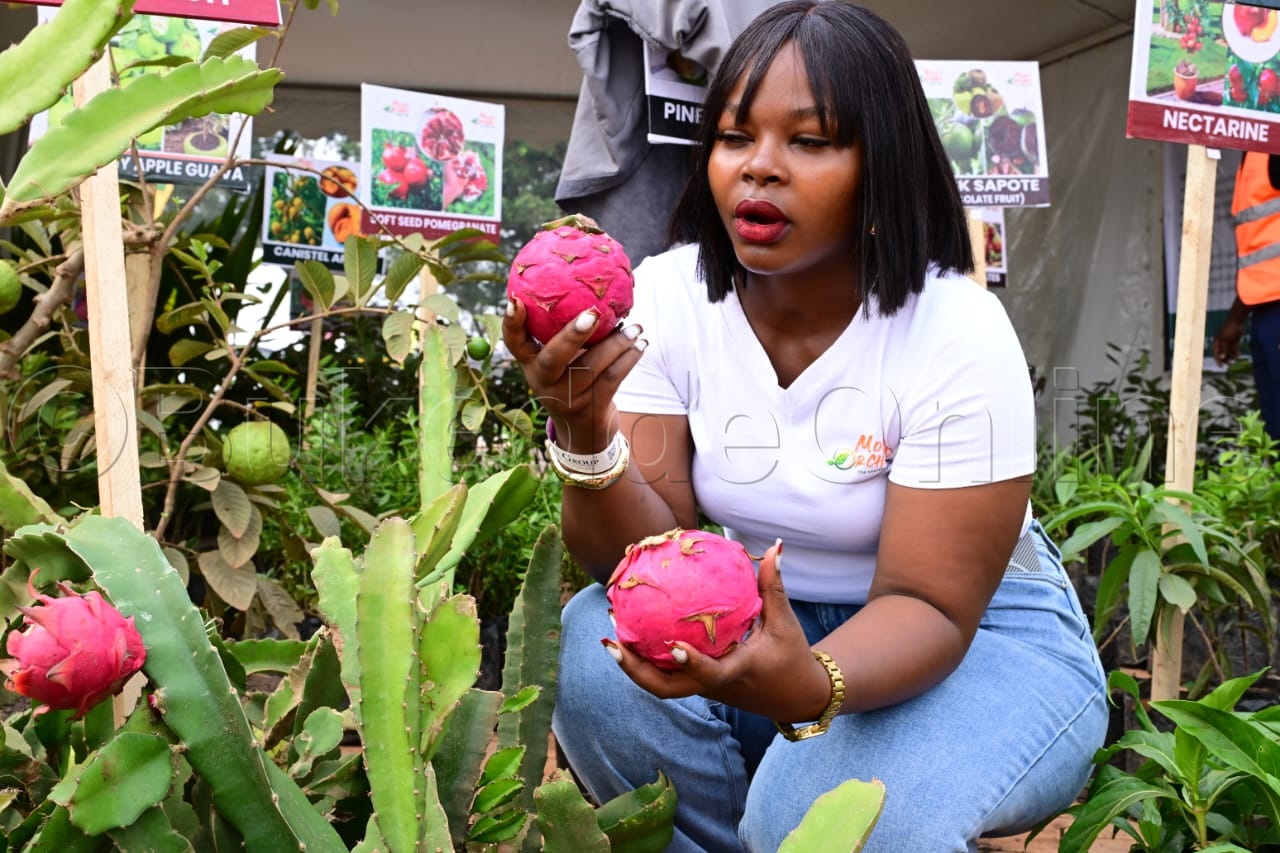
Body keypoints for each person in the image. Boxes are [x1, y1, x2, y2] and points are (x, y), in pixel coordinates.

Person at [502, 3, 1109, 850]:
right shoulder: (673, 297)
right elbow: (641, 563)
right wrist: (581, 426)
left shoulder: (955, 328)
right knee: (594, 653)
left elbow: (929, 604)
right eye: (733, 135)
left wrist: (808, 683)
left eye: (811, 140)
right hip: (764, 622)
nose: (760, 168)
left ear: (882, 165)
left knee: (817, 817)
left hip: (972, 642)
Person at [1213, 150, 1280, 442]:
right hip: (1264, 308)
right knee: (1276, 431)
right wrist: (1237, 316)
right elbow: (1262, 248)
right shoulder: (1258, 144)